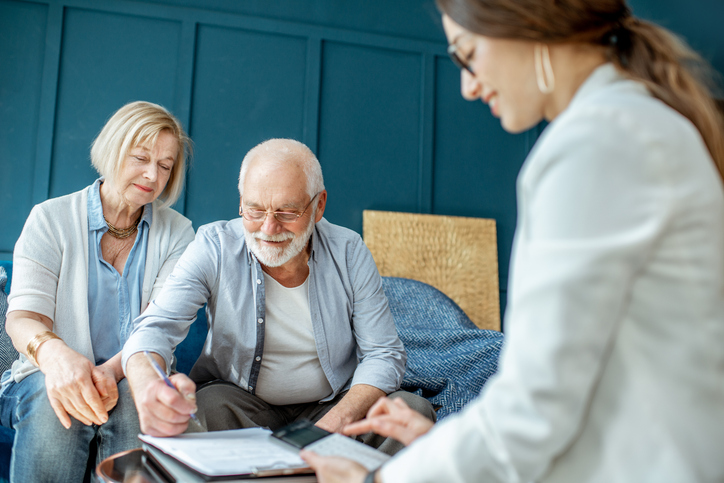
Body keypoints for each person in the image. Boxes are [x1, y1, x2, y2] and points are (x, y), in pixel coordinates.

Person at [302, 0, 724, 482]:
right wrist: (442, 446)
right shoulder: (638, 124)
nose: (468, 85)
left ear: (528, 23)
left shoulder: (597, 143)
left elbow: (534, 410)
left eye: (468, 54)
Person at [122, 138, 435, 454]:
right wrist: (148, 384)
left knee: (412, 411)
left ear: (319, 206)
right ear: (241, 202)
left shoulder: (349, 251)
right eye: (255, 210)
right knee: (207, 407)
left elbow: (383, 352)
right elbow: (155, 328)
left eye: (287, 211)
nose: (269, 229)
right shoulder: (214, 245)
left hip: (332, 405)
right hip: (243, 408)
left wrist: (340, 418)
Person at [0, 101, 195, 482]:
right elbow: (23, 318)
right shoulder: (50, 218)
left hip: (130, 374)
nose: (152, 175)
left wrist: (106, 373)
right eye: (141, 158)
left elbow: (160, 325)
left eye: (165, 165)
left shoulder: (179, 234)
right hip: (39, 374)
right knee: (55, 403)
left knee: (138, 404)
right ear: (112, 150)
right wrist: (60, 360)